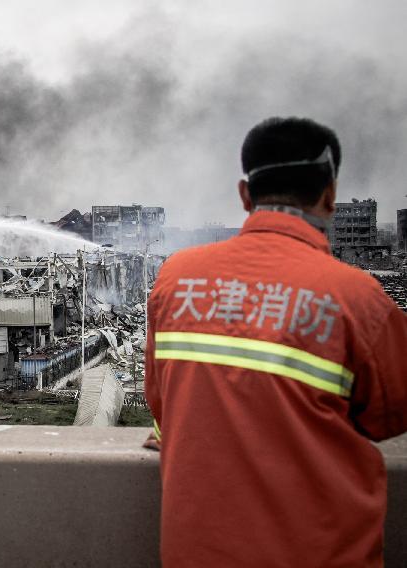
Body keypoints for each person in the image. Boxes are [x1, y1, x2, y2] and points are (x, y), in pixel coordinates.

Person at [144, 117, 407, 567]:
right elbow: (390, 417)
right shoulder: (358, 298)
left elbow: (163, 400)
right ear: (330, 195)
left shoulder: (175, 278)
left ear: (245, 194)